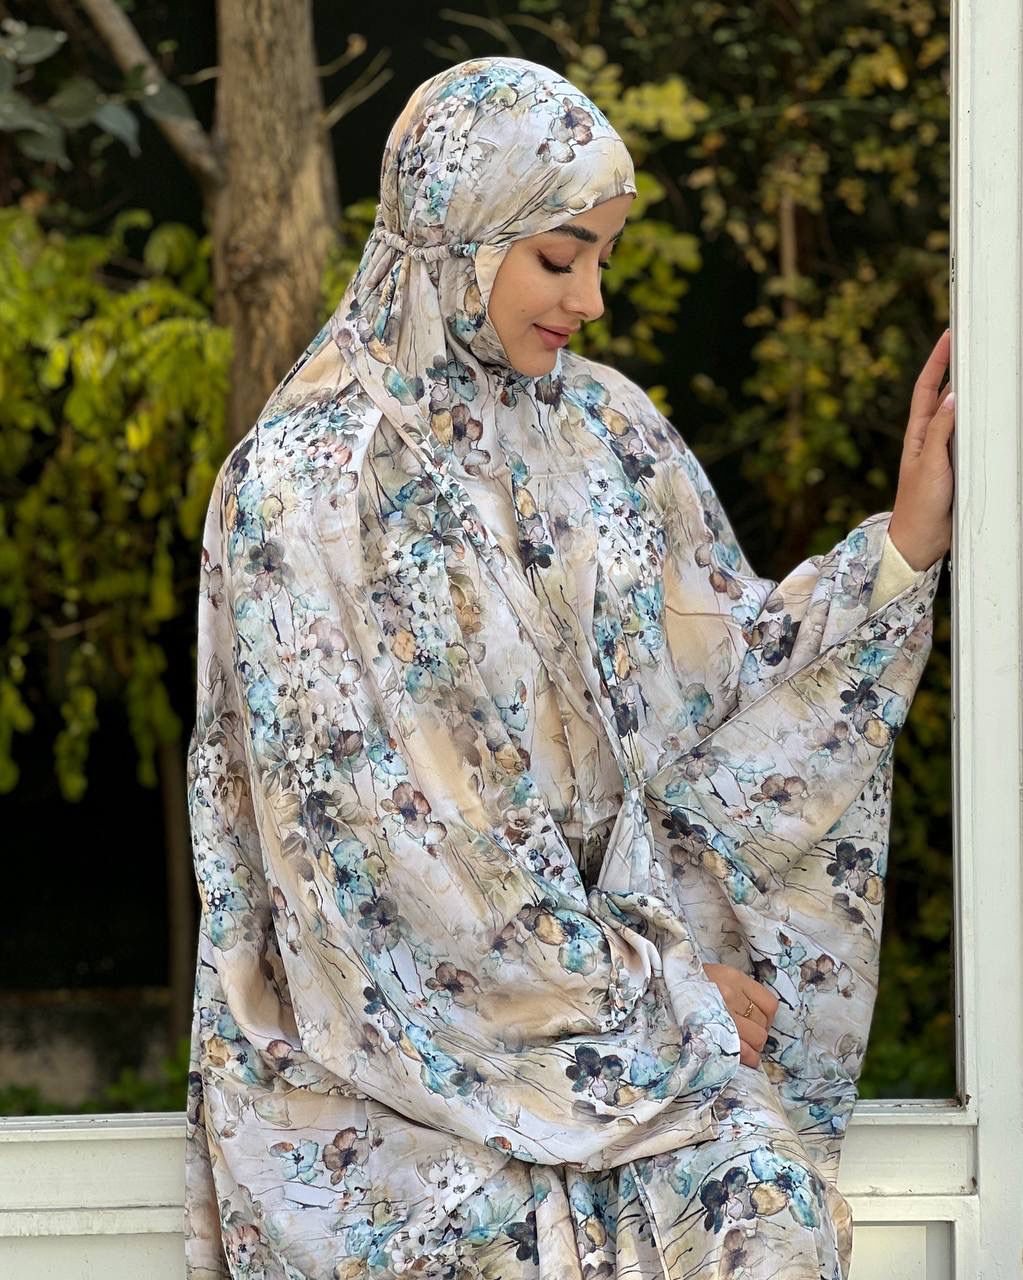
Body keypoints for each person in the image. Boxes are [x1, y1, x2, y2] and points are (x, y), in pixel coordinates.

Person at [184, 55, 954, 1280]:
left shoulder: (605, 429)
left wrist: (905, 545)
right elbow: (390, 869)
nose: (591, 299)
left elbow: (725, 686)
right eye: (559, 257)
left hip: (625, 1022)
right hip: (387, 1073)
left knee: (763, 1210)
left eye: (605, 257)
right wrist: (660, 997)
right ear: (457, 236)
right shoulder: (306, 490)